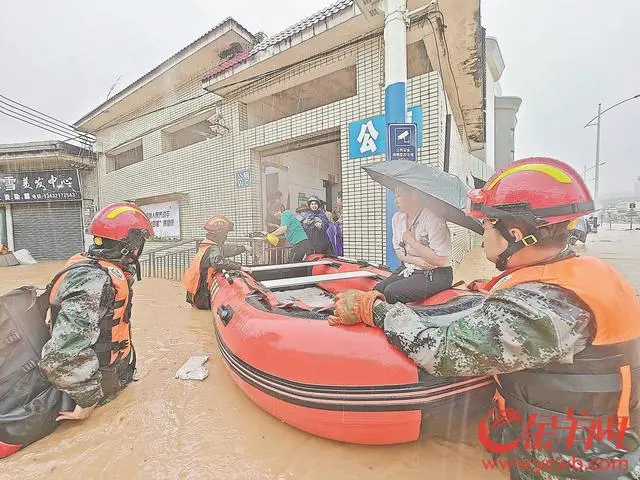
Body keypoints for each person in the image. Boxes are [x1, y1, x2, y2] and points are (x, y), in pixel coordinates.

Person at [327, 157, 640, 480]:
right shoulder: (587, 275)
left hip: (568, 465)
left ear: (517, 234)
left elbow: (442, 352)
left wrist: (373, 310)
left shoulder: (541, 304)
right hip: (600, 445)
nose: (482, 234)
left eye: (489, 224)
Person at [0, 202, 155, 458]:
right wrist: (87, 400)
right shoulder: (94, 281)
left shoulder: (89, 266)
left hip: (105, 378)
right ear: (131, 244)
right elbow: (63, 353)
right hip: (86, 392)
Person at [374, 185, 453, 303]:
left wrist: (411, 241)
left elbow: (441, 260)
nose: (395, 200)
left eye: (399, 196)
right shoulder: (397, 218)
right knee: (378, 290)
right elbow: (399, 251)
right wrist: (418, 260)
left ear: (414, 196)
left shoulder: (433, 218)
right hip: (410, 267)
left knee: (391, 291)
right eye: (395, 196)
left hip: (436, 274)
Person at [184, 214, 251, 309]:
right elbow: (219, 263)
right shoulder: (212, 248)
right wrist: (240, 267)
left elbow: (225, 250)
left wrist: (243, 248)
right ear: (220, 233)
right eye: (225, 234)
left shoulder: (208, 245)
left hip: (194, 291)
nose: (226, 236)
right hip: (201, 292)